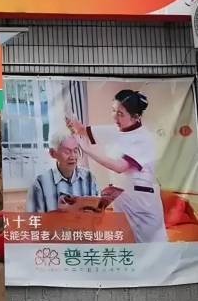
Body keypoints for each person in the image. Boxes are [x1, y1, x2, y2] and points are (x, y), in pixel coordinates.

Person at [67, 89, 167, 243]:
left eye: (120, 114)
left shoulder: (143, 138)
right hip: (124, 200)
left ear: (136, 117)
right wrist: (74, 124)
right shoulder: (116, 129)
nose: (114, 117)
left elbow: (119, 167)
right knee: (129, 245)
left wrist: (87, 150)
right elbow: (82, 130)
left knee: (151, 247)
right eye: (113, 110)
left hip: (142, 204)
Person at [26, 129, 99, 212]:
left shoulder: (89, 178)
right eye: (67, 152)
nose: (72, 156)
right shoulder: (40, 183)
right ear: (53, 153)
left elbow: (98, 213)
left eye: (75, 151)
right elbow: (32, 219)